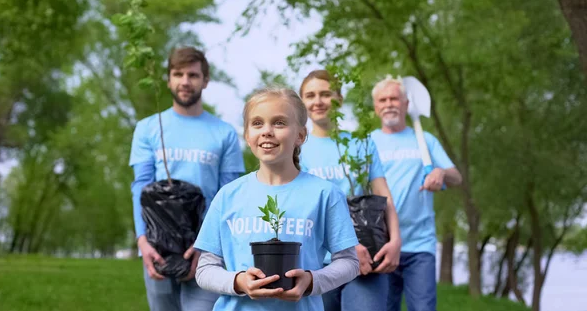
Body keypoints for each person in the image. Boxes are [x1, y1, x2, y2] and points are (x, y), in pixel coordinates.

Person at [193, 86, 360, 311]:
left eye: (279, 123)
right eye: (257, 123)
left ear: (300, 135)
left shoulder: (325, 194)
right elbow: (205, 269)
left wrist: (311, 281)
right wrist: (239, 281)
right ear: (247, 135)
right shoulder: (227, 196)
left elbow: (349, 262)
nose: (267, 131)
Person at [129, 46, 245, 311]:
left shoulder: (224, 133)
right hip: (157, 247)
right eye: (177, 74)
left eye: (192, 75)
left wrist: (206, 246)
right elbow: (141, 187)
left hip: (206, 249)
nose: (184, 81)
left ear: (205, 80)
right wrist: (142, 241)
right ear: (167, 79)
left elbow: (227, 195)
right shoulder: (148, 128)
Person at [298, 70, 402, 311]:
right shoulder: (297, 149)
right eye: (310, 95)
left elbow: (384, 197)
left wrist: (396, 241)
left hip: (365, 261)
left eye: (326, 94)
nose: (318, 101)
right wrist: (346, 245)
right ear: (302, 103)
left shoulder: (362, 143)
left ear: (339, 98)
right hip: (316, 265)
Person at [370, 75, 462, 311]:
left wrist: (441, 173)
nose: (389, 103)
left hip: (420, 246)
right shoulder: (368, 143)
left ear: (406, 104)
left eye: (394, 98)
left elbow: (457, 177)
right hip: (382, 244)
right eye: (383, 100)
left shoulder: (425, 140)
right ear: (376, 107)